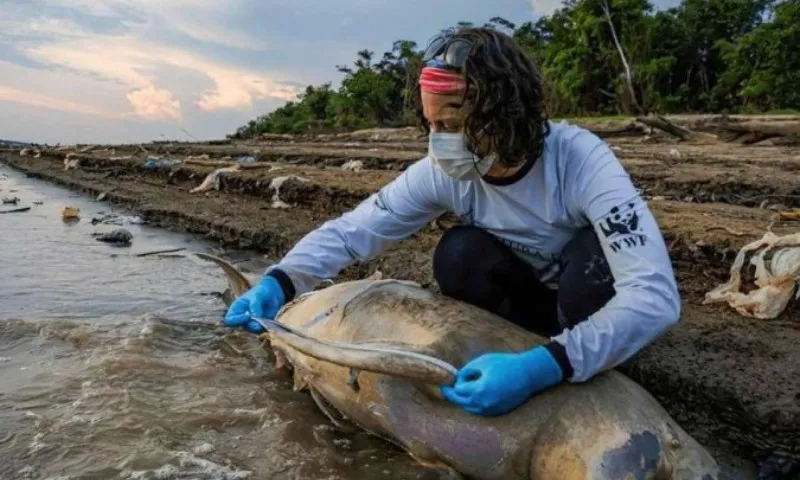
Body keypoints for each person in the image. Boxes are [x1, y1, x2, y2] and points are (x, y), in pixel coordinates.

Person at [223, 27, 680, 417]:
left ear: (507, 112)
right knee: (458, 253)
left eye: (456, 123)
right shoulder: (444, 173)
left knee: (592, 259)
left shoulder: (580, 161)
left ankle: (573, 356)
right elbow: (355, 231)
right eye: (432, 126)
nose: (442, 142)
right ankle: (520, 351)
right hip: (528, 303)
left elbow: (654, 297)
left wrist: (544, 367)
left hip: (585, 297)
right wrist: (280, 281)